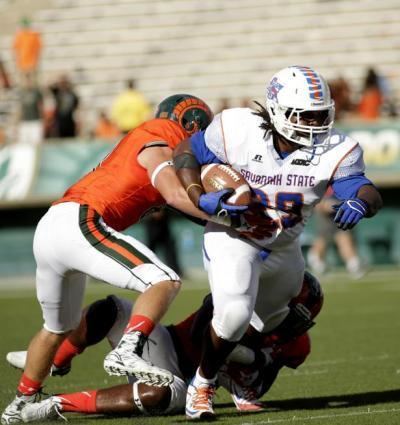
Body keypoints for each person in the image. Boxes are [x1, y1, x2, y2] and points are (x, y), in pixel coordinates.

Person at [1, 93, 238, 425]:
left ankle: (18, 406)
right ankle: (128, 346)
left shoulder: (151, 141)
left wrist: (216, 214)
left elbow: (177, 200)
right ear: (189, 123)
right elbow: (173, 193)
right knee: (163, 280)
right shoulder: (163, 133)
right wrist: (230, 216)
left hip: (55, 226)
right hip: (80, 220)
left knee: (56, 329)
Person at [173, 65, 383, 419]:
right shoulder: (237, 128)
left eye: (321, 115)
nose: (316, 125)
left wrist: (361, 201)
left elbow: (362, 187)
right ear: (278, 111)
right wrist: (197, 194)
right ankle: (203, 384)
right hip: (233, 235)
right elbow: (186, 152)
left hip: (284, 245)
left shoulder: (338, 148)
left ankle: (238, 370)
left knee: (269, 327)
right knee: (236, 313)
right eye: (306, 115)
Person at [7, 272, 323, 421]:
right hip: (170, 347)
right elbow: (204, 335)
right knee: (112, 308)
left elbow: (260, 387)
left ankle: (56, 404)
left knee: (160, 392)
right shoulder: (237, 299)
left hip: (183, 383)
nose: (294, 324)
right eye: (292, 313)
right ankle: (50, 362)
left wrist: (259, 367)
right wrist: (250, 355)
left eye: (300, 318)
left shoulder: (297, 344)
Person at [307, 192, 366, 279]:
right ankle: (316, 262)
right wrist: (325, 205)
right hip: (325, 211)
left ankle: (354, 265)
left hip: (340, 209)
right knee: (323, 238)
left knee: (343, 236)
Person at [12, 17, 42, 84]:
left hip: (31, 62)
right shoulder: (19, 35)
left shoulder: (34, 35)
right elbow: (16, 50)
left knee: (32, 80)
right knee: (25, 80)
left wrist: (35, 61)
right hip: (23, 62)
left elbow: (38, 49)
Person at [16, 75, 44, 145]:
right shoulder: (21, 93)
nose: (28, 83)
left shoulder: (36, 92)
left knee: (36, 142)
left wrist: (42, 119)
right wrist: (17, 121)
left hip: (35, 120)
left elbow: (40, 106)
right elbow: (20, 108)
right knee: (24, 143)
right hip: (24, 121)